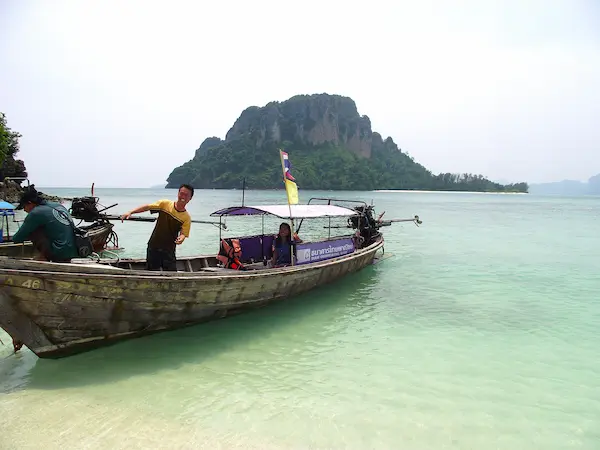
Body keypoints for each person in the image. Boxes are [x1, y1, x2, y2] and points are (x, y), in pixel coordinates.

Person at [120, 184, 193, 271]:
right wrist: (130, 212)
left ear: (190, 198)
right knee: (151, 272)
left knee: (170, 274)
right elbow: (147, 207)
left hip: (169, 249)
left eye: (186, 195)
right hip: (154, 245)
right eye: (181, 193)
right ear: (178, 193)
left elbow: (183, 234)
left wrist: (181, 238)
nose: (183, 196)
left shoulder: (186, 217)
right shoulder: (165, 204)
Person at [12, 186, 79, 262]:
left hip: (58, 253)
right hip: (74, 251)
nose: (24, 210)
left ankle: (43, 257)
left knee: (33, 230)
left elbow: (17, 238)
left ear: (30, 203)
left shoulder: (36, 212)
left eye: (24, 206)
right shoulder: (58, 206)